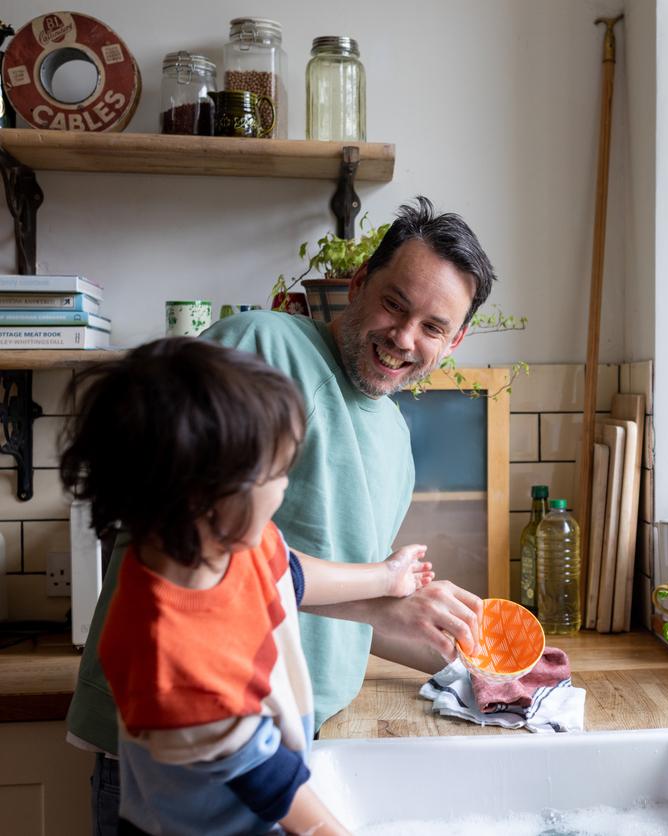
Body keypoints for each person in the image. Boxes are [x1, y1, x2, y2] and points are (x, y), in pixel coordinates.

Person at [68, 196, 498, 834]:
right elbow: (192, 550)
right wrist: (384, 589)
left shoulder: (397, 443)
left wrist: (405, 608)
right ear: (357, 286)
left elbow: (287, 585)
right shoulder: (262, 347)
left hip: (299, 744)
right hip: (185, 752)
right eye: (393, 304)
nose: (404, 338)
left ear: (455, 340)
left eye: (433, 327)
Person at [62, 338, 433, 834]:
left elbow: (289, 575)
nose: (284, 486)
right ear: (206, 492)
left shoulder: (220, 543)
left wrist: (387, 578)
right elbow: (270, 781)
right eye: (278, 472)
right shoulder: (171, 655)